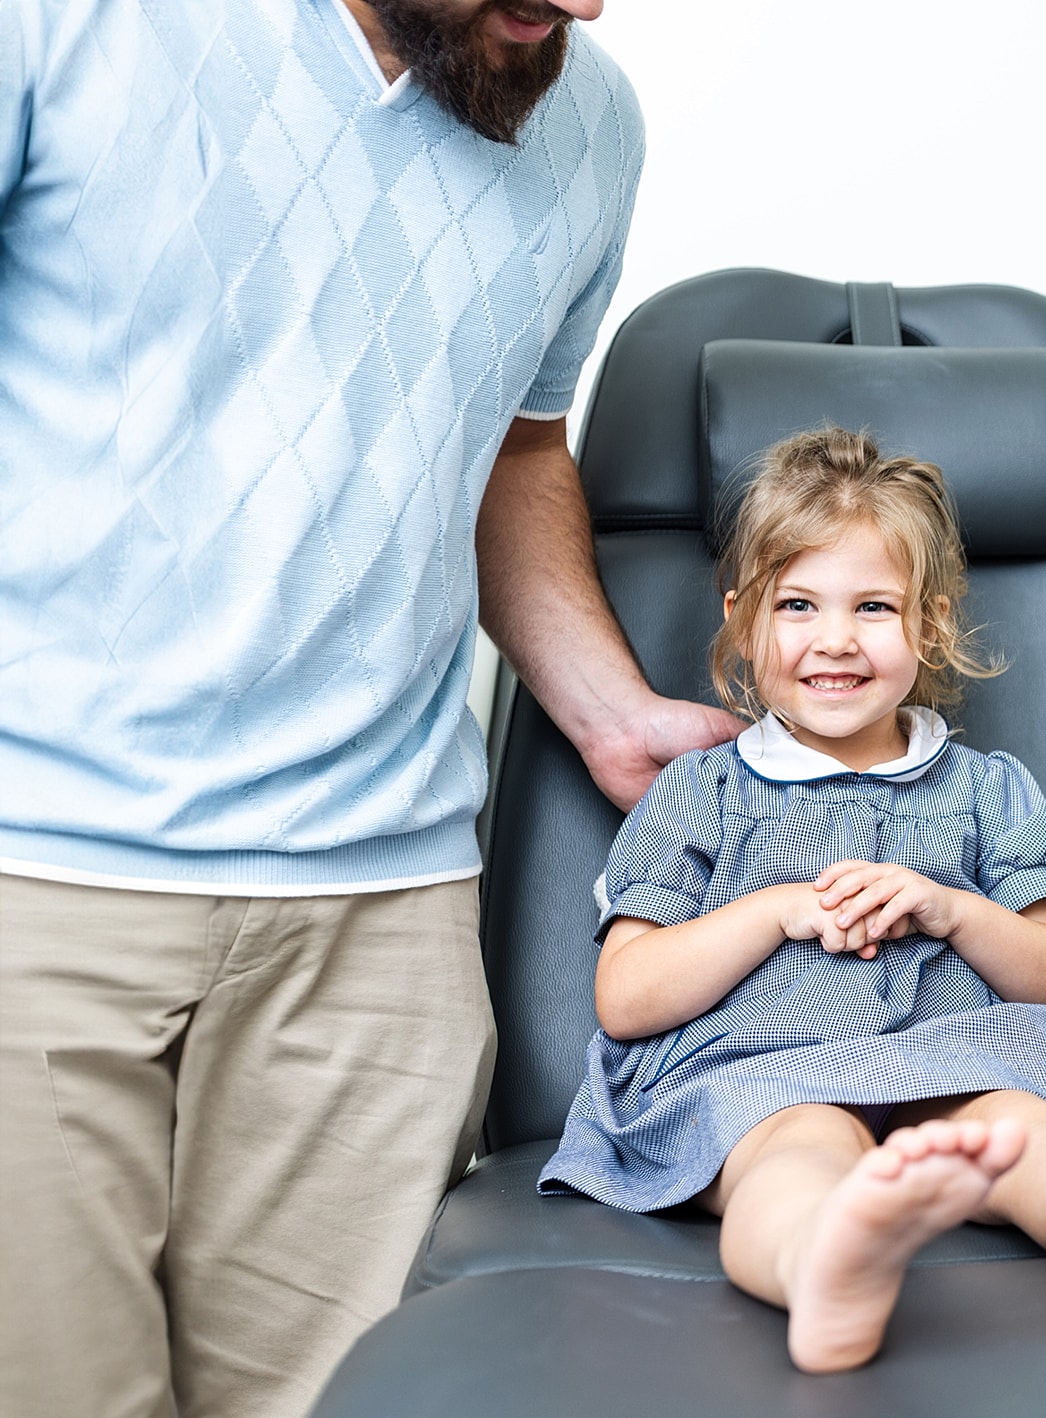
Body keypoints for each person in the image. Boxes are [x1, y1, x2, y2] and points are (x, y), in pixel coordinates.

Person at [0, 3, 736, 1416]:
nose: (582, 5)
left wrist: (604, 711)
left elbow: (514, 446)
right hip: (45, 870)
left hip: (379, 915)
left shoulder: (590, 120)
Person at [539, 426, 1046, 1373]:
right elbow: (627, 994)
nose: (837, 639)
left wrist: (950, 908)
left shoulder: (985, 789)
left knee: (1024, 1140)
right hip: (767, 1079)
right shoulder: (702, 792)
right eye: (799, 604)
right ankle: (823, 1254)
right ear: (742, 619)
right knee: (802, 1156)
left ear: (928, 625)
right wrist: (774, 911)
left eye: (875, 607)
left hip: (957, 1065)